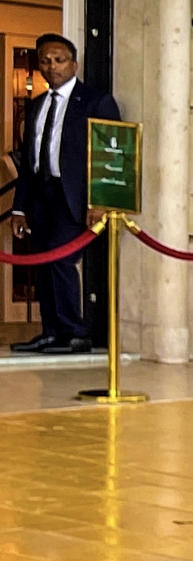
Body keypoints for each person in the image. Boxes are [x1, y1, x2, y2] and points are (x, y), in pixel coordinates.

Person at [7, 33, 123, 354]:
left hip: (74, 198)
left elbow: (109, 155)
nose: (52, 66)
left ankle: (75, 332)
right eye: (45, 60)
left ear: (73, 63)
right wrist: (19, 208)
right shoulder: (36, 107)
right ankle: (51, 331)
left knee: (60, 260)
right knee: (41, 262)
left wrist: (99, 201)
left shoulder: (96, 101)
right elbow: (29, 164)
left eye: (59, 59)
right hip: (41, 196)